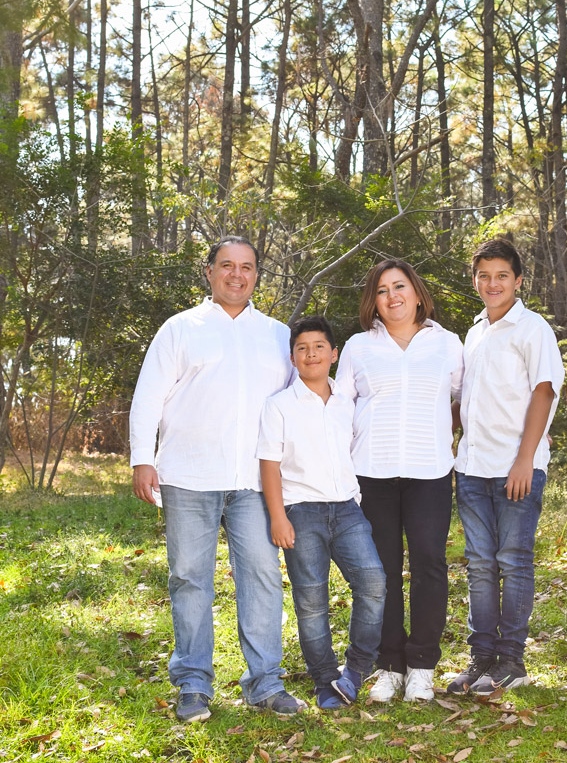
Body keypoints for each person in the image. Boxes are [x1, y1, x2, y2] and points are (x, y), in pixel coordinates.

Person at [130, 236, 305, 723]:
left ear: (256, 275)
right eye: (226, 266)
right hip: (188, 474)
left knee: (264, 577)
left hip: (253, 482)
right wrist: (143, 458)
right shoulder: (181, 329)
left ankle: (265, 682)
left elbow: (296, 405)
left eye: (246, 267)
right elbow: (148, 397)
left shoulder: (276, 334)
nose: (236, 275)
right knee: (190, 580)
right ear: (209, 272)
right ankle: (192, 684)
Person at [335, 259, 463, 703]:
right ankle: (389, 665)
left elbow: (465, 399)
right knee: (383, 571)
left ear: (416, 291)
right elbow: (340, 408)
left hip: (430, 473)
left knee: (429, 565)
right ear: (374, 299)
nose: (393, 296)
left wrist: (438, 432)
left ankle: (423, 665)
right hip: (372, 474)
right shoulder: (357, 346)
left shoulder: (448, 343)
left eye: (400, 286)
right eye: (383, 289)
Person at [447, 238, 565, 696]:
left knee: (513, 562)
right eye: (484, 275)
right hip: (472, 466)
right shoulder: (474, 333)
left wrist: (524, 460)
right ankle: (481, 658)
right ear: (475, 280)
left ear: (517, 281)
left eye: (501, 276)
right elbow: (466, 403)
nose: (492, 283)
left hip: (516, 467)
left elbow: (544, 391)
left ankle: (512, 661)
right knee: (479, 564)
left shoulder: (532, 329)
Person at [258, 315, 386, 710]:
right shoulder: (279, 405)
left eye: (318, 347)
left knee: (374, 583)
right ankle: (325, 682)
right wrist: (278, 516)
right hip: (301, 513)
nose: (310, 354)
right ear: (293, 357)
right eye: (302, 348)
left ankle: (355, 671)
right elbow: (269, 463)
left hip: (347, 510)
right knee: (311, 600)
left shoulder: (347, 404)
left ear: (333, 354)